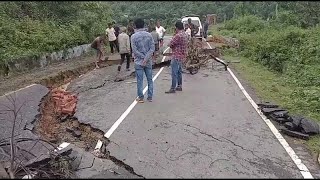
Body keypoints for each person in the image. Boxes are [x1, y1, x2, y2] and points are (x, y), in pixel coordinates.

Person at [131, 18, 155, 103]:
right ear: (143, 25)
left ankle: (141, 97)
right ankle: (150, 97)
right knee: (149, 79)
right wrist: (146, 58)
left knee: (140, 80)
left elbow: (134, 50)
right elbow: (152, 48)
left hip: (138, 62)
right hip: (148, 61)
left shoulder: (133, 36)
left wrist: (142, 58)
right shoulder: (149, 35)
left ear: (135, 26)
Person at [165, 21, 188, 94]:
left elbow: (170, 44)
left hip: (176, 55)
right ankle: (179, 85)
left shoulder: (178, 36)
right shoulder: (185, 34)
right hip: (182, 55)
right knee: (179, 71)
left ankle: (173, 88)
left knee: (174, 72)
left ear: (176, 27)